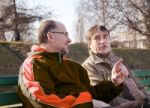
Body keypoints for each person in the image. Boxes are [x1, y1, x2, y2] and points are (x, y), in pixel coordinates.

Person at [17, 20, 128, 108]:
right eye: (65, 34)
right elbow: (42, 101)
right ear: (50, 36)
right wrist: (88, 103)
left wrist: (113, 82)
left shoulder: (73, 67)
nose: (69, 40)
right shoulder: (34, 64)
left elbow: (91, 95)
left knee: (142, 105)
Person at [82, 24, 149, 107]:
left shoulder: (117, 60)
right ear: (89, 45)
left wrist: (147, 99)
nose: (103, 41)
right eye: (97, 38)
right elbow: (102, 98)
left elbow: (138, 85)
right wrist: (139, 104)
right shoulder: (88, 67)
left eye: (105, 36)